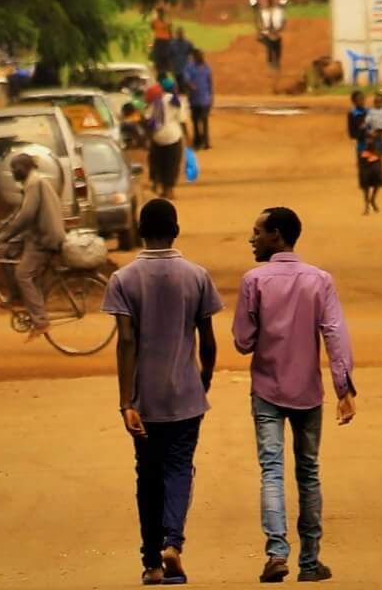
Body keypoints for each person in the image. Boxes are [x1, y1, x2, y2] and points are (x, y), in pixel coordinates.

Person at [233, 206, 354, 584]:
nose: (252, 238)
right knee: (309, 473)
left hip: (267, 389)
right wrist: (343, 387)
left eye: (257, 232)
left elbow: (242, 341)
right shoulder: (320, 280)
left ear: (277, 236)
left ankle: (276, 551)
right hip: (308, 392)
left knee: (271, 470)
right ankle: (310, 562)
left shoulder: (253, 280)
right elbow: (334, 333)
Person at [107, 198, 222, 587]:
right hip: (186, 396)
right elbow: (207, 339)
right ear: (176, 231)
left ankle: (152, 563)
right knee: (179, 469)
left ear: (140, 232)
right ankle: (174, 542)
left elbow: (125, 341)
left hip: (145, 400)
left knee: (148, 476)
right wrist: (204, 378)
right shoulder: (197, 276)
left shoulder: (123, 279)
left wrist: (126, 402)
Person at [0, 150, 65, 338]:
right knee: (1, 251)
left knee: (23, 274)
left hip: (44, 239)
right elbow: (16, 215)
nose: (13, 172)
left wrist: (4, 235)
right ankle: (17, 297)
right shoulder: (31, 183)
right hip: (33, 236)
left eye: (15, 168)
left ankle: (41, 321)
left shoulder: (34, 183)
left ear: (24, 168)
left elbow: (26, 216)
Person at [147, 76, 188, 199]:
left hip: (158, 137)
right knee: (172, 164)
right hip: (173, 137)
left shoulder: (156, 100)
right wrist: (188, 137)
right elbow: (182, 121)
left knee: (159, 163)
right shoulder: (176, 101)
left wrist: (149, 137)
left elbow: (149, 119)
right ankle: (169, 189)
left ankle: (158, 183)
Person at [347, 91, 382, 215]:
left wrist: (381, 144)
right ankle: (366, 204)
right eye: (359, 99)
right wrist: (365, 135)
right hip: (362, 148)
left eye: (363, 98)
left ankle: (373, 199)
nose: (362, 101)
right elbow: (352, 134)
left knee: (377, 176)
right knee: (365, 178)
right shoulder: (352, 114)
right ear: (354, 101)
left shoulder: (371, 112)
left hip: (375, 148)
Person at [182, 49, 215, 153]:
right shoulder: (190, 67)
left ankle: (204, 142)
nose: (201, 58)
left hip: (204, 99)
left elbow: (210, 83)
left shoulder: (206, 68)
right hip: (195, 99)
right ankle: (198, 142)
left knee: (203, 121)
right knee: (196, 122)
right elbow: (186, 78)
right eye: (199, 56)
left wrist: (211, 97)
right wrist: (190, 85)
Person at [254, 0, 287, 74]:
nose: (269, 2)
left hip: (275, 34)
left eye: (270, 1)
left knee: (276, 50)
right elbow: (260, 22)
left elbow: (282, 21)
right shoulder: (266, 11)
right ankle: (271, 64)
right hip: (269, 34)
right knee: (270, 49)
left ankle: (275, 63)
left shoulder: (276, 11)